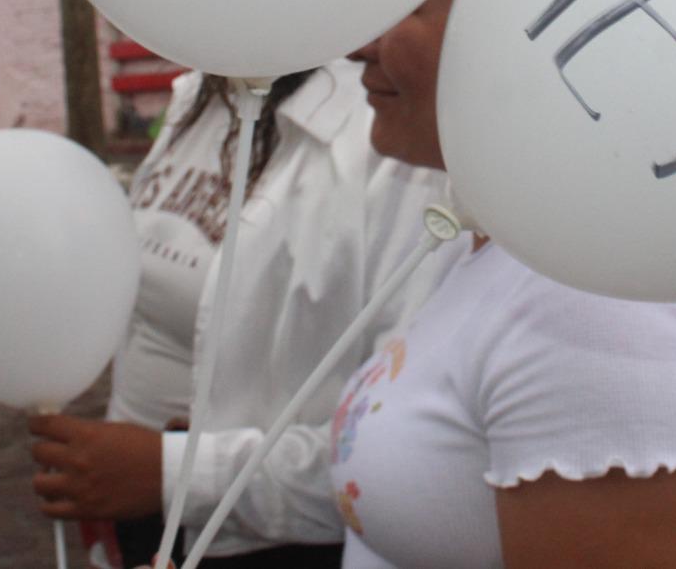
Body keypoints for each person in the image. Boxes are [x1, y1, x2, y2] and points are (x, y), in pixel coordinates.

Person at [332, 0, 676, 569]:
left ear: (528, 29)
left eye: (406, 3)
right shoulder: (517, 249)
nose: (356, 44)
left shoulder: (602, 304)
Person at [28, 59, 454, 568]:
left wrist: (172, 475)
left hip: (270, 545)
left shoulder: (390, 135)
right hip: (141, 525)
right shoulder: (203, 92)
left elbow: (407, 451)